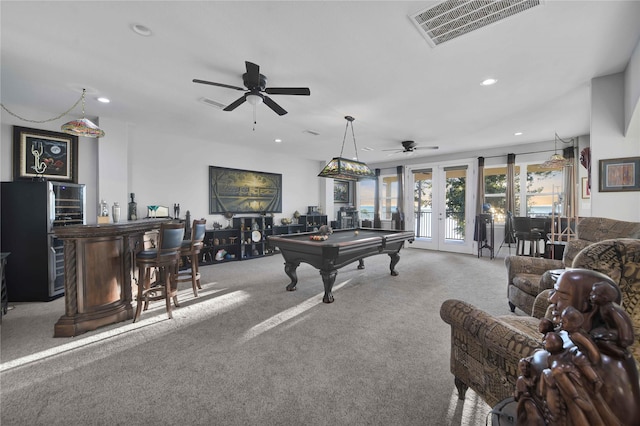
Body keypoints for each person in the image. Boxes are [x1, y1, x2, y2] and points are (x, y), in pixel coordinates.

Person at [589, 280, 635, 358]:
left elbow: (622, 324)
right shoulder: (602, 306)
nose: (590, 294)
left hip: (623, 335)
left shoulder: (611, 309)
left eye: (595, 294)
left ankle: (621, 353)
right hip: (612, 331)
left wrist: (624, 340)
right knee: (594, 334)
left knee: (599, 339)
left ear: (604, 298)